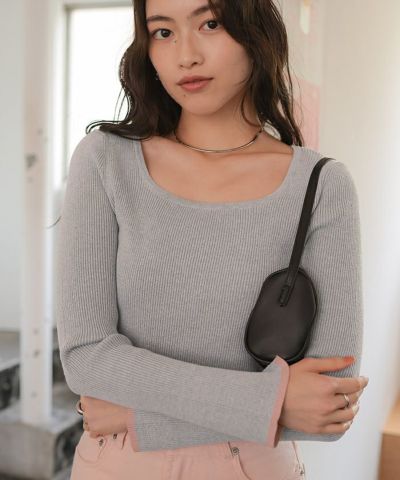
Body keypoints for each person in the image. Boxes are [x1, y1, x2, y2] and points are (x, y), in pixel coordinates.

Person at [55, 0, 369, 478]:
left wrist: (134, 416)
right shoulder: (105, 161)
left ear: (255, 30)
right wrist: (272, 401)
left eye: (210, 24)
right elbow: (87, 358)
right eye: (163, 32)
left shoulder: (321, 186)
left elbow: (329, 406)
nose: (186, 55)